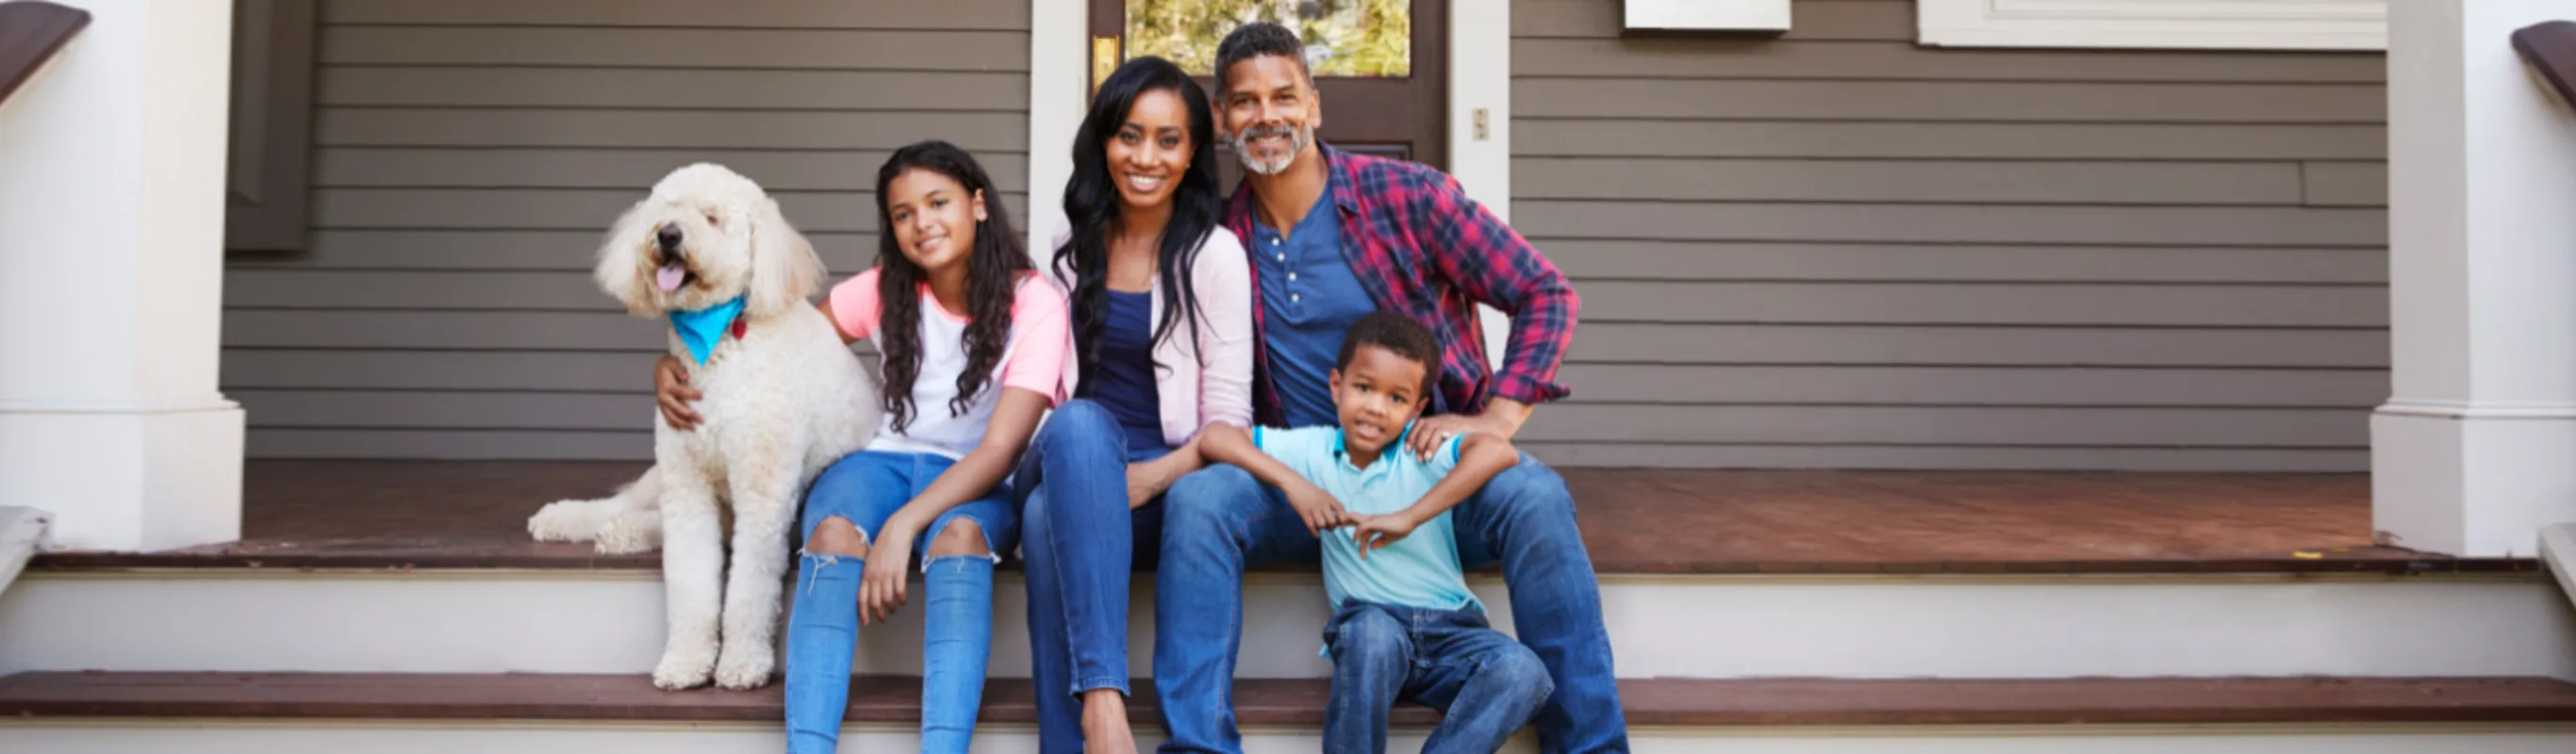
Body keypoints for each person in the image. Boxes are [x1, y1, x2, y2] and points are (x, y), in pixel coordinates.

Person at [1153, 22, 1628, 754]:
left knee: (1533, 495)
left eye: (1285, 95)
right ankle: (1199, 746)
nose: (1267, 115)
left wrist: (1496, 420)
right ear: (1221, 118)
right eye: (1245, 101)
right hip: (1305, 483)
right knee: (1200, 499)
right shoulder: (1219, 242)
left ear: (1315, 105)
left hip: (1424, 475)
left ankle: (1592, 745)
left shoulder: (1408, 198)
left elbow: (1545, 292)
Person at [656, 140, 1070, 754]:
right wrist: (670, 363)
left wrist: (903, 528)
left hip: (976, 478)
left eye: (938, 203)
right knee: (830, 534)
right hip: (879, 463)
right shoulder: (882, 289)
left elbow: (1002, 450)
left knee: (957, 539)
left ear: (978, 205)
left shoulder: (1035, 301)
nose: (922, 223)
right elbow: (779, 347)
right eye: (903, 214)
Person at [1015, 56, 1254, 754]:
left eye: (1168, 139)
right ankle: (1105, 705)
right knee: (1082, 423)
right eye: (1128, 135)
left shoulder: (1214, 255)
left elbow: (1226, 419)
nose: (1145, 157)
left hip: (1161, 477)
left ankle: (1073, 739)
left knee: (1039, 519)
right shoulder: (1066, 247)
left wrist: (1153, 476)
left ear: (1191, 156)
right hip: (1072, 457)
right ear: (1103, 141)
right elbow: (1044, 386)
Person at [1198, 311, 1551, 754]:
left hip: (1453, 632)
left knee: (1524, 671)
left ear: (1418, 409)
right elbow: (1216, 436)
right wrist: (1296, 485)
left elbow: (1499, 451)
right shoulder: (1315, 451)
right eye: (1363, 388)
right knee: (1373, 635)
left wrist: (1411, 516)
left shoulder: (1421, 451)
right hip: (1373, 626)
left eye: (1396, 398)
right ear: (1336, 386)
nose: (1375, 408)